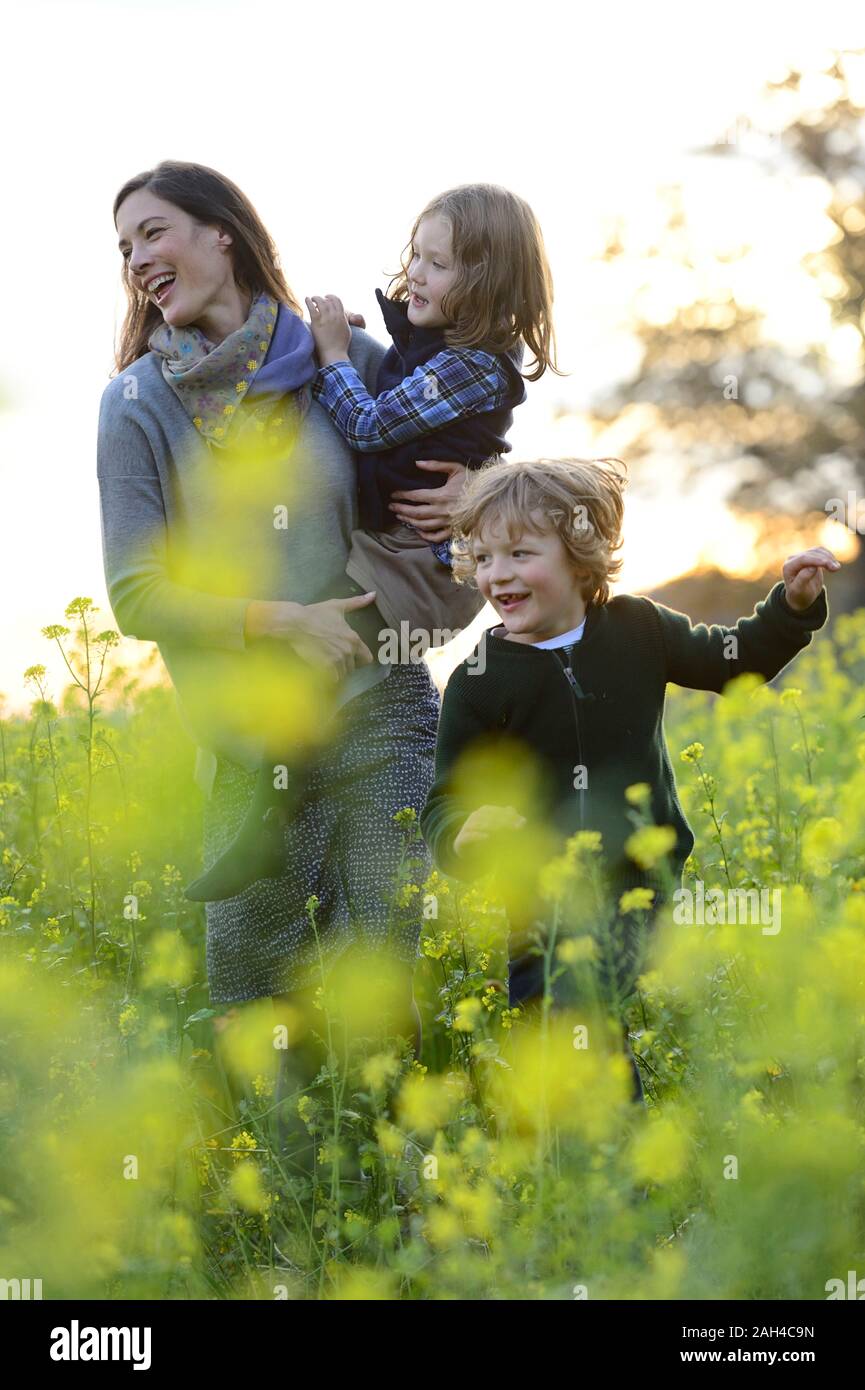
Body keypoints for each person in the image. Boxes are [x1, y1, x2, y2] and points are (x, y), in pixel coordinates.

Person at [98, 160, 465, 1055]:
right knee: (260, 1010)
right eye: (123, 248)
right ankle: (291, 1191)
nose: (138, 258)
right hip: (245, 743)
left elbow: (462, 443)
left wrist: (475, 493)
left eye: (154, 232)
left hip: (379, 708)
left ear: (222, 232)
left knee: (381, 973)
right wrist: (281, 621)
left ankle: (396, 1191)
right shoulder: (136, 405)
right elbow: (137, 594)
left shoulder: (343, 363)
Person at [419, 456, 838, 1096]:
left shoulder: (638, 628)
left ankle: (617, 1161)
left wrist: (791, 606)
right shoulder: (477, 680)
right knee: (544, 1036)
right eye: (483, 558)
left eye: (520, 553)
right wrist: (464, 834)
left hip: (636, 882)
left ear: (580, 558)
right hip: (535, 896)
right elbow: (446, 802)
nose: (497, 573)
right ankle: (575, 1168)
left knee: (579, 1015)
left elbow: (733, 662)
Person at [190, 183, 561, 902]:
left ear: (485, 283)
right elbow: (397, 393)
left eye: (440, 264)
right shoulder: (442, 352)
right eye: (414, 256)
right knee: (301, 671)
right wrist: (361, 347)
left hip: (416, 567)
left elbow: (367, 427)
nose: (416, 273)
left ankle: (270, 829)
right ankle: (278, 824)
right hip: (398, 554)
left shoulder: (475, 364)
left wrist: (332, 356)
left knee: (302, 663)